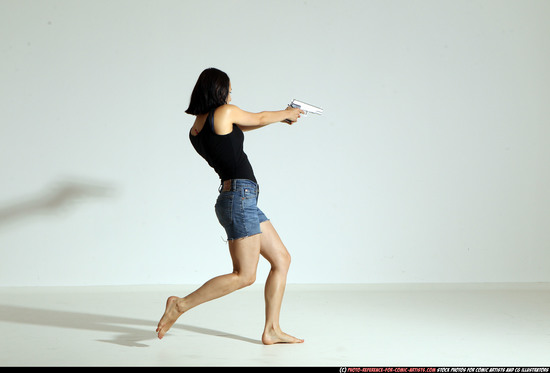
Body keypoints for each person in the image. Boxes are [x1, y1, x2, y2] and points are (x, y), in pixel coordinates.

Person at [156, 68, 304, 344]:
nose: (231, 95)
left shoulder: (198, 127)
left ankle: (272, 329)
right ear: (219, 90)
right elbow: (257, 116)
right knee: (244, 275)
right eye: (229, 90)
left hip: (238, 199)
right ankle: (180, 305)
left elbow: (249, 124)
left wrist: (280, 119)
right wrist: (285, 112)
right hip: (240, 198)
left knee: (281, 259)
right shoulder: (224, 112)